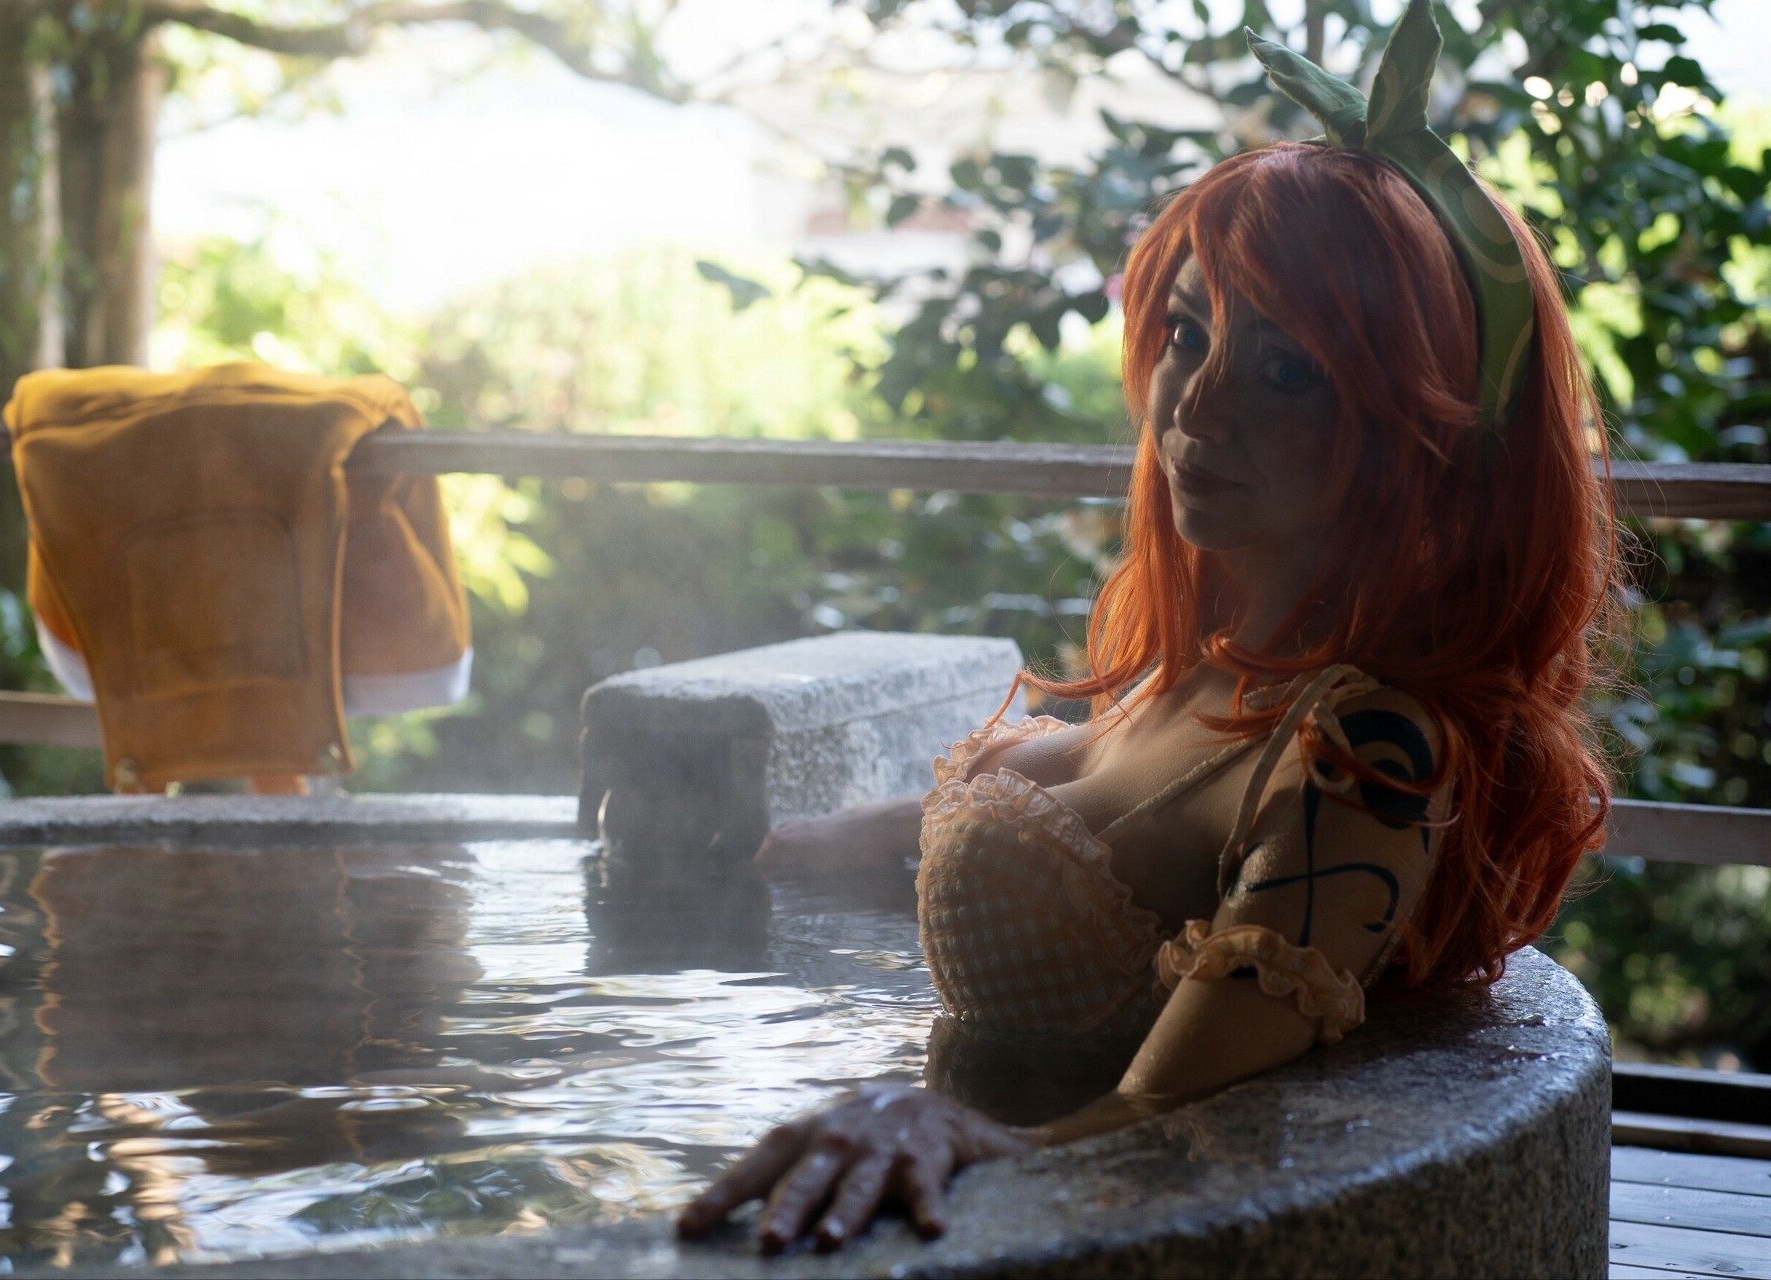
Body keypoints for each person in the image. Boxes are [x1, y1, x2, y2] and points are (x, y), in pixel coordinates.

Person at [676, 0, 1620, 1256]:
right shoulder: (1216, 665)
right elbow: (1109, 826)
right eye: (1187, 331)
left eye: (1289, 370)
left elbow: (1168, 1135)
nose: (1199, 405)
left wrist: (923, 1121)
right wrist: (819, 841)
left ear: (1419, 428)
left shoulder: (1367, 754)